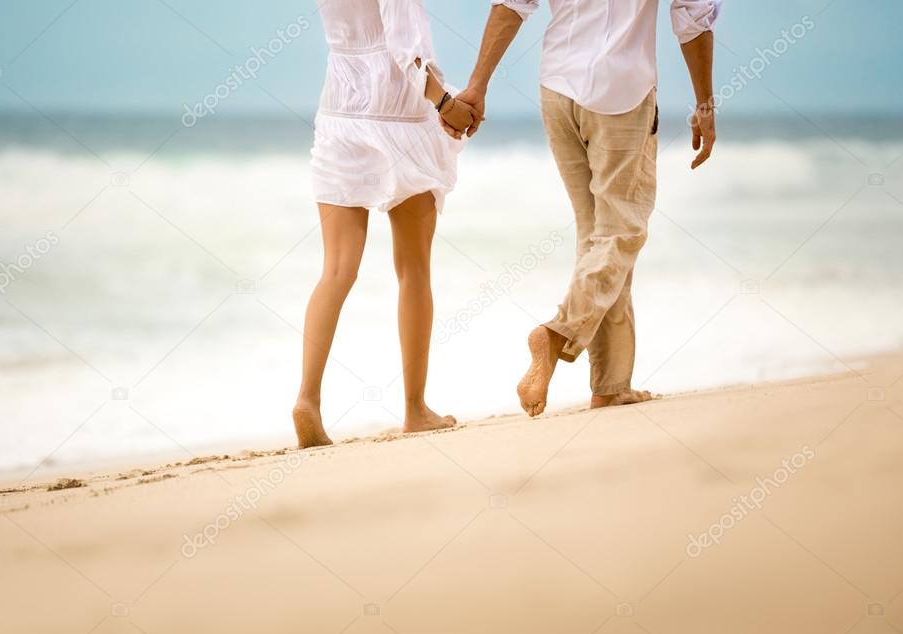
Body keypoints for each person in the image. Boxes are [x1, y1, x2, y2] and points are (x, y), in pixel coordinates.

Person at [446, 0, 722, 416]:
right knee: (622, 231)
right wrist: (704, 103)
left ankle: (611, 384)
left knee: (597, 236)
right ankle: (557, 335)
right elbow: (692, 16)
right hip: (621, 91)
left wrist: (477, 85)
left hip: (558, 88)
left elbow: (511, 4)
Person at [293, 0, 482, 448]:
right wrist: (446, 103)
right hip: (399, 111)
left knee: (337, 270)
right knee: (413, 268)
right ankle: (416, 409)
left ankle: (308, 399)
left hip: (341, 109)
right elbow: (407, 50)